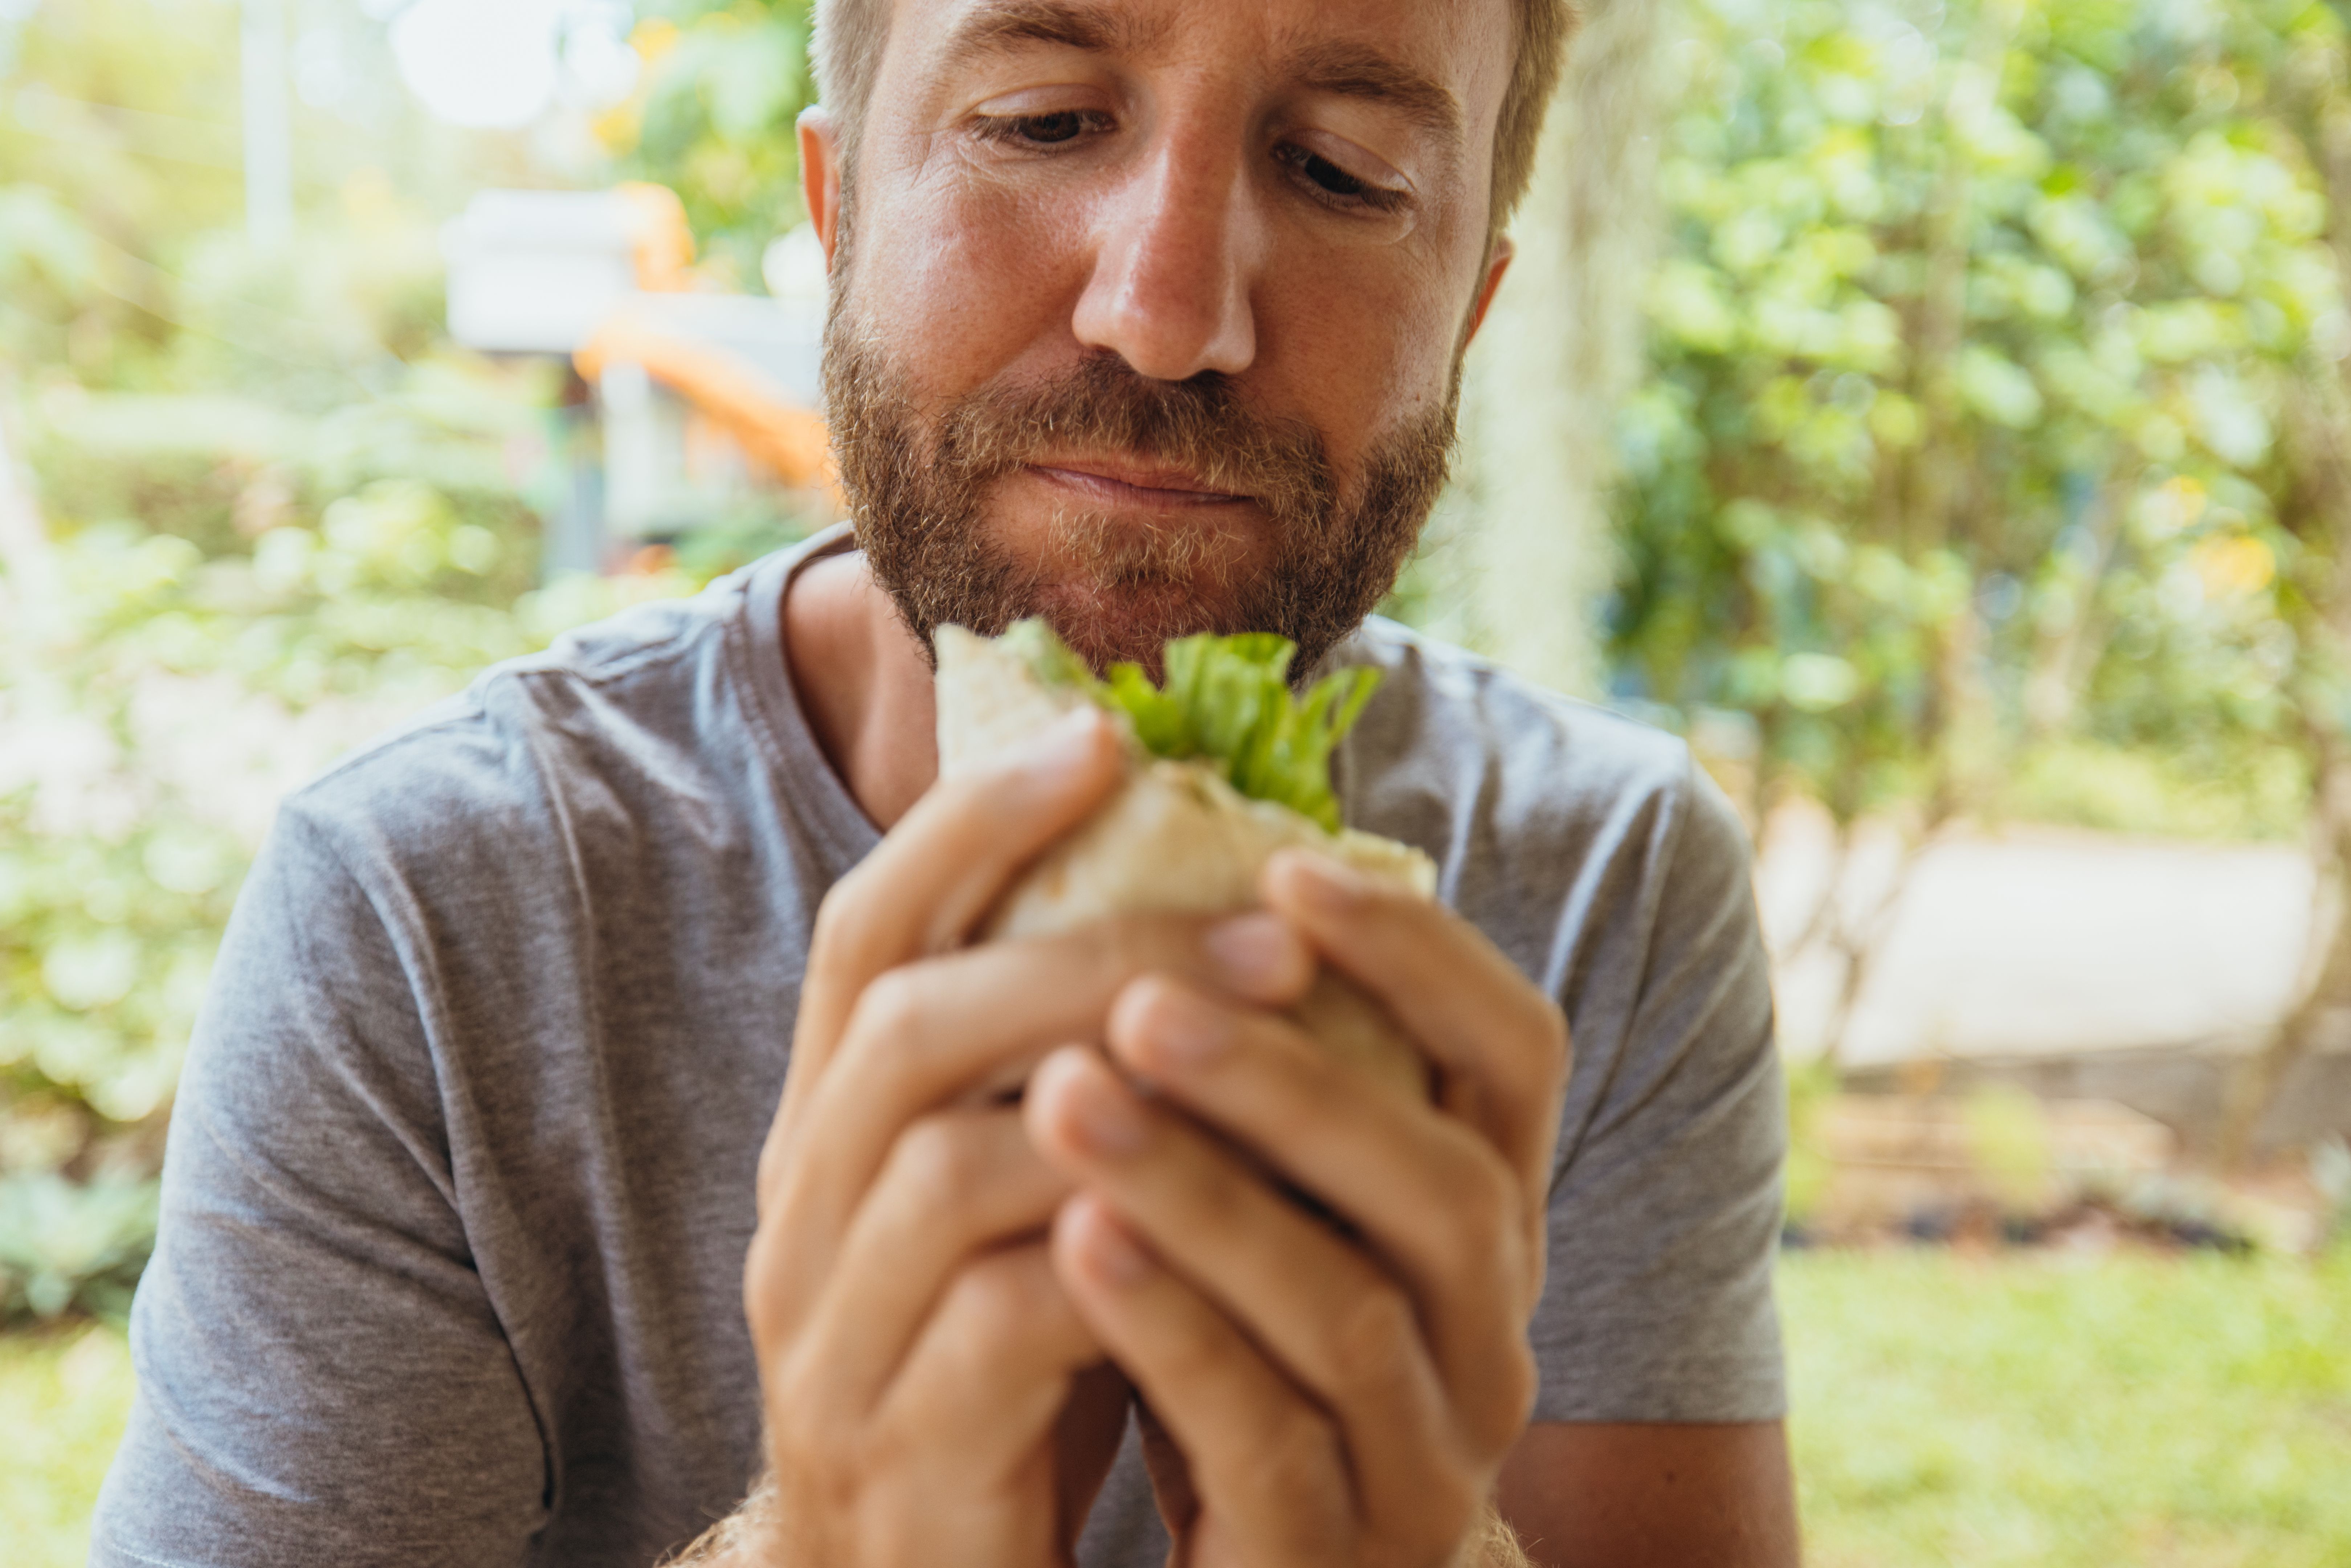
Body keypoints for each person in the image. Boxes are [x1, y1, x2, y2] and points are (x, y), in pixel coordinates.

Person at [90, 0, 1801, 1564]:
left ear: (1470, 315)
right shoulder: (426, 914)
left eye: (1345, 173)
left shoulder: (1601, 888)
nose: (1168, 309)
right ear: (839, 220)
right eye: (1045, 121)